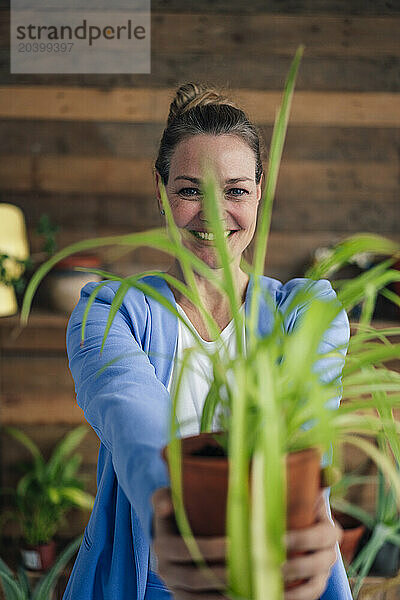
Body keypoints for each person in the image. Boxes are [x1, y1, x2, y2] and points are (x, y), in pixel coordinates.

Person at [62, 82, 352, 600]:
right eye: (190, 191)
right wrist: (176, 526)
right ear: (161, 191)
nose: (214, 216)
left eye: (235, 191)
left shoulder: (306, 312)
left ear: (260, 190)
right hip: (151, 578)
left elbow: (301, 427)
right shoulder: (109, 312)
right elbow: (135, 426)